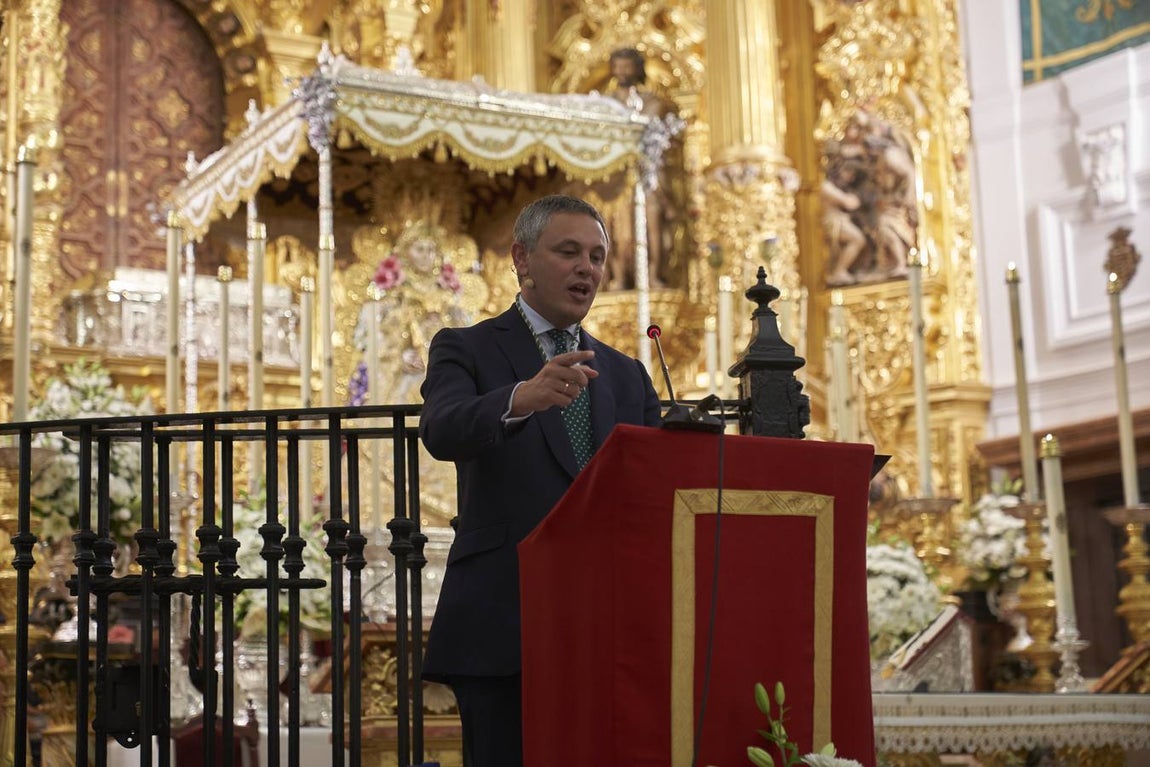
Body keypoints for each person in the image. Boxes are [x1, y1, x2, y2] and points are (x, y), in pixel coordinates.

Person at [418, 195, 662, 767]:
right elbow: (441, 429)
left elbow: (657, 485)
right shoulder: (466, 347)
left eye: (598, 257)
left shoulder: (627, 374)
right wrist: (517, 399)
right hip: (506, 620)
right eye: (569, 252)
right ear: (522, 259)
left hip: (609, 627)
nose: (587, 269)